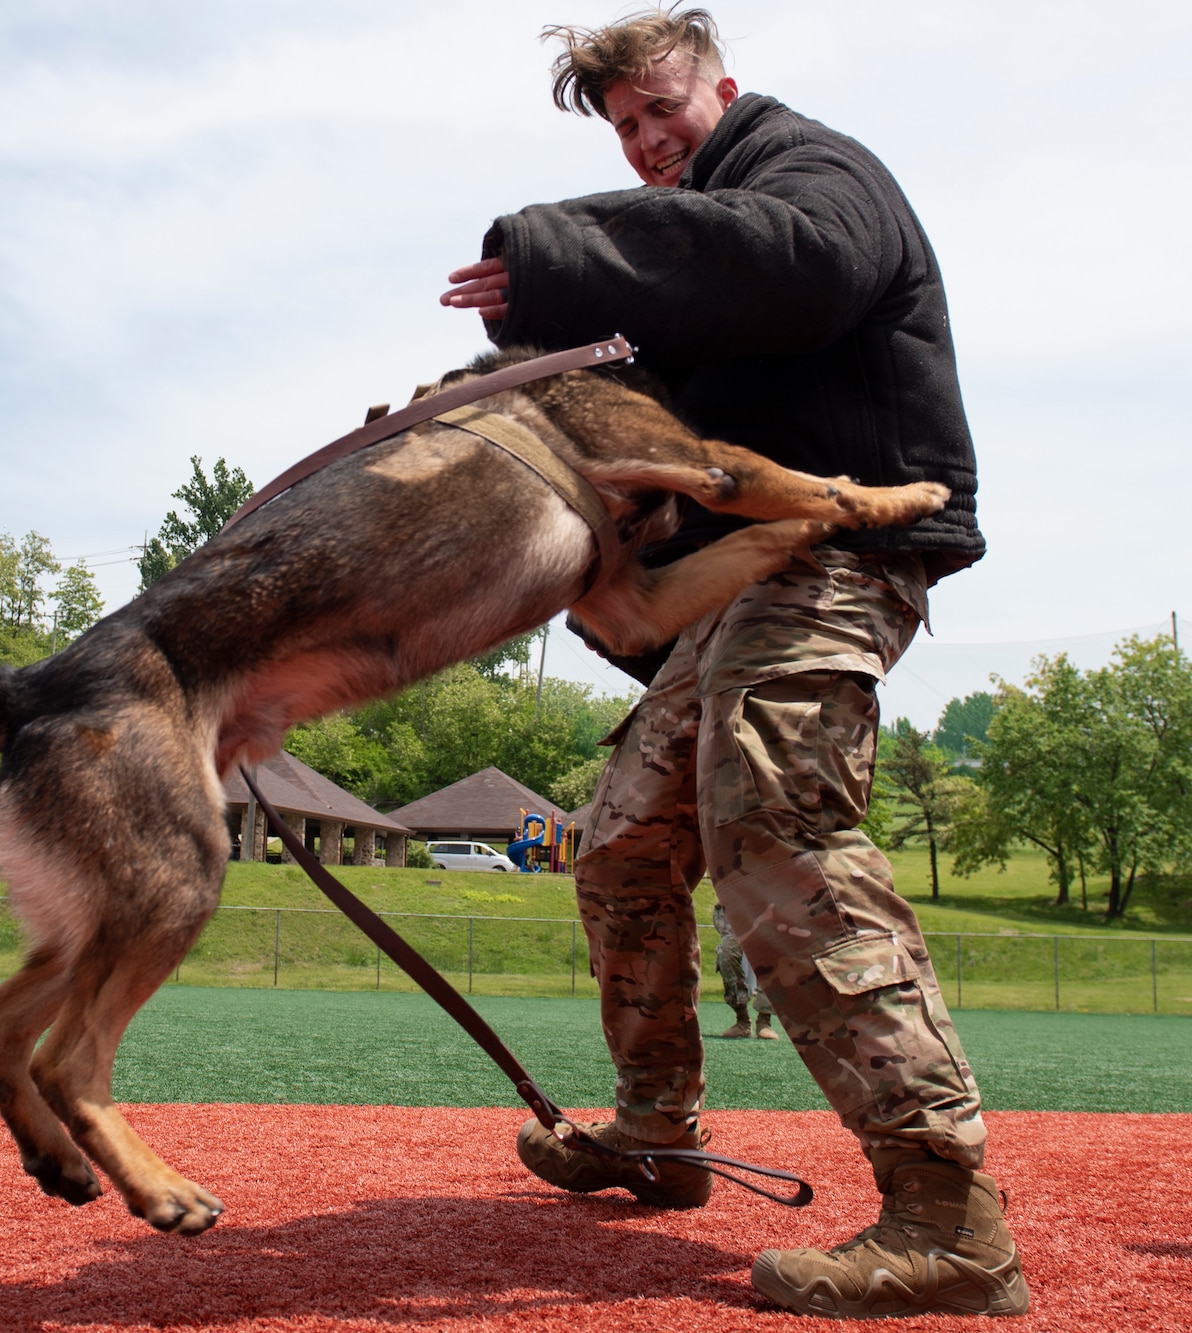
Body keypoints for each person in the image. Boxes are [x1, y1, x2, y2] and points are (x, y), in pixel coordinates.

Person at [440, 8, 1026, 1320]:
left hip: (835, 551)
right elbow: (638, 393)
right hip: (735, 588)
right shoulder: (687, 269)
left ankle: (948, 1215)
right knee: (625, 844)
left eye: (662, 111)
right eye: (627, 127)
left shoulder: (814, 175)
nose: (648, 142)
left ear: (726, 89)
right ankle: (658, 1129)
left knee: (773, 825)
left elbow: (788, 266)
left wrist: (556, 250)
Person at [714, 906, 774, 1040]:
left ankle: (764, 1021)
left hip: (763, 900)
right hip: (731, 904)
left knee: (771, 952)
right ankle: (742, 1021)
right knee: (726, 953)